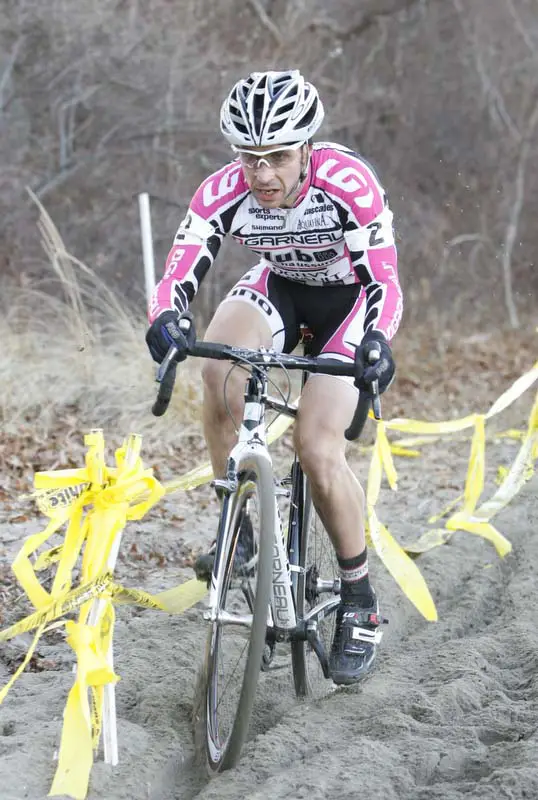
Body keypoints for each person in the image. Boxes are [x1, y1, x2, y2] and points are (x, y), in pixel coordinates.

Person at [145, 69, 402, 685]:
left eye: (278, 157)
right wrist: (165, 318)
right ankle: (241, 541)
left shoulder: (349, 184)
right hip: (279, 289)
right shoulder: (221, 191)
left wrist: (377, 342)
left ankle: (359, 599)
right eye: (250, 158)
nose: (262, 175)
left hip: (349, 304)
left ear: (307, 147)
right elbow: (180, 270)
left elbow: (384, 284)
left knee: (315, 446)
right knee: (215, 371)